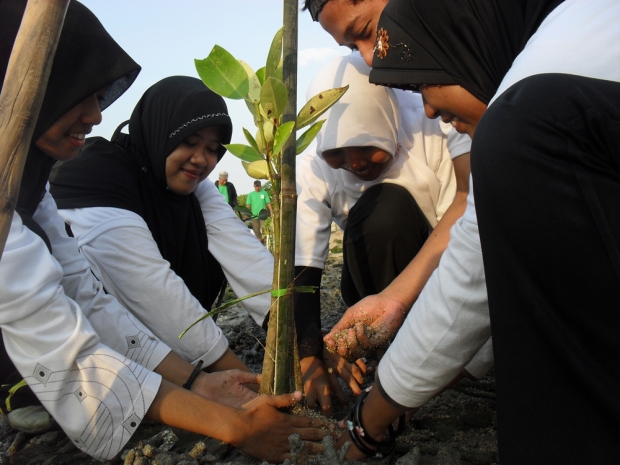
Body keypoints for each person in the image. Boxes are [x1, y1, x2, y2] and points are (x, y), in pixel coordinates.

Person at [0, 1, 326, 462]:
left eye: (213, 149)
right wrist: (237, 420)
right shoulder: (95, 177)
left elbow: (88, 298)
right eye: (80, 92)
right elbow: (132, 295)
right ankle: (22, 392)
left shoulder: (32, 187)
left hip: (105, 331)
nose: (96, 115)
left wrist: (302, 347)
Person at [329, 0, 620, 463]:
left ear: (461, 40)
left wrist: (369, 420)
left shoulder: (530, 109)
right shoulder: (559, 40)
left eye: (424, 81)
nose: (425, 108)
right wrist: (402, 315)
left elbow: (471, 274)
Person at [294, 54, 491, 416]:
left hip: (439, 267)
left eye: (366, 145)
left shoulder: (431, 122)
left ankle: (417, 342)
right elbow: (305, 269)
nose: (355, 164)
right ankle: (384, 343)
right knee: (377, 211)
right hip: (368, 281)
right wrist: (310, 359)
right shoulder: (313, 167)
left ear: (388, 122)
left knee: (389, 206)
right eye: (338, 153)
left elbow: (467, 225)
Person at [50, 76, 274, 371]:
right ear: (159, 132)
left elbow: (244, 253)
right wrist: (235, 375)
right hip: (79, 348)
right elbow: (148, 286)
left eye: (212, 149)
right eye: (189, 142)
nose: (200, 159)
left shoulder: (193, 185)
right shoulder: (96, 172)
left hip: (168, 345)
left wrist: (301, 340)